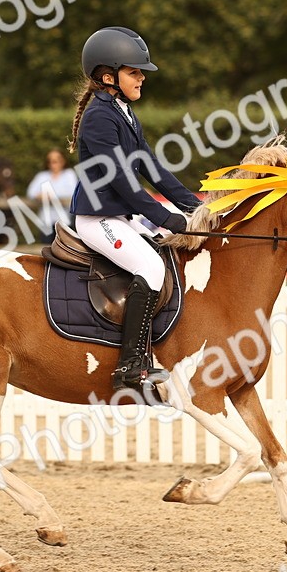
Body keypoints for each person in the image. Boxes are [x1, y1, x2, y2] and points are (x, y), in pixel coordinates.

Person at [67, 26, 202, 394]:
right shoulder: (99, 117)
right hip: (98, 219)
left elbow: (152, 168)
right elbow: (124, 182)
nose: (142, 76)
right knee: (150, 267)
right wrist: (166, 218)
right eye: (134, 71)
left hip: (118, 218)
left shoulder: (124, 112)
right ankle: (130, 366)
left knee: (163, 261)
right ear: (108, 77)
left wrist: (196, 207)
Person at [26, 148, 79, 244]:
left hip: (64, 222)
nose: (54, 163)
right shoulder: (42, 176)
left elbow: (72, 192)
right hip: (46, 222)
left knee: (63, 252)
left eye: (56, 160)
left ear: (63, 161)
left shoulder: (69, 174)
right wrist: (42, 195)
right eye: (51, 161)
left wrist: (48, 194)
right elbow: (31, 192)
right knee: (46, 250)